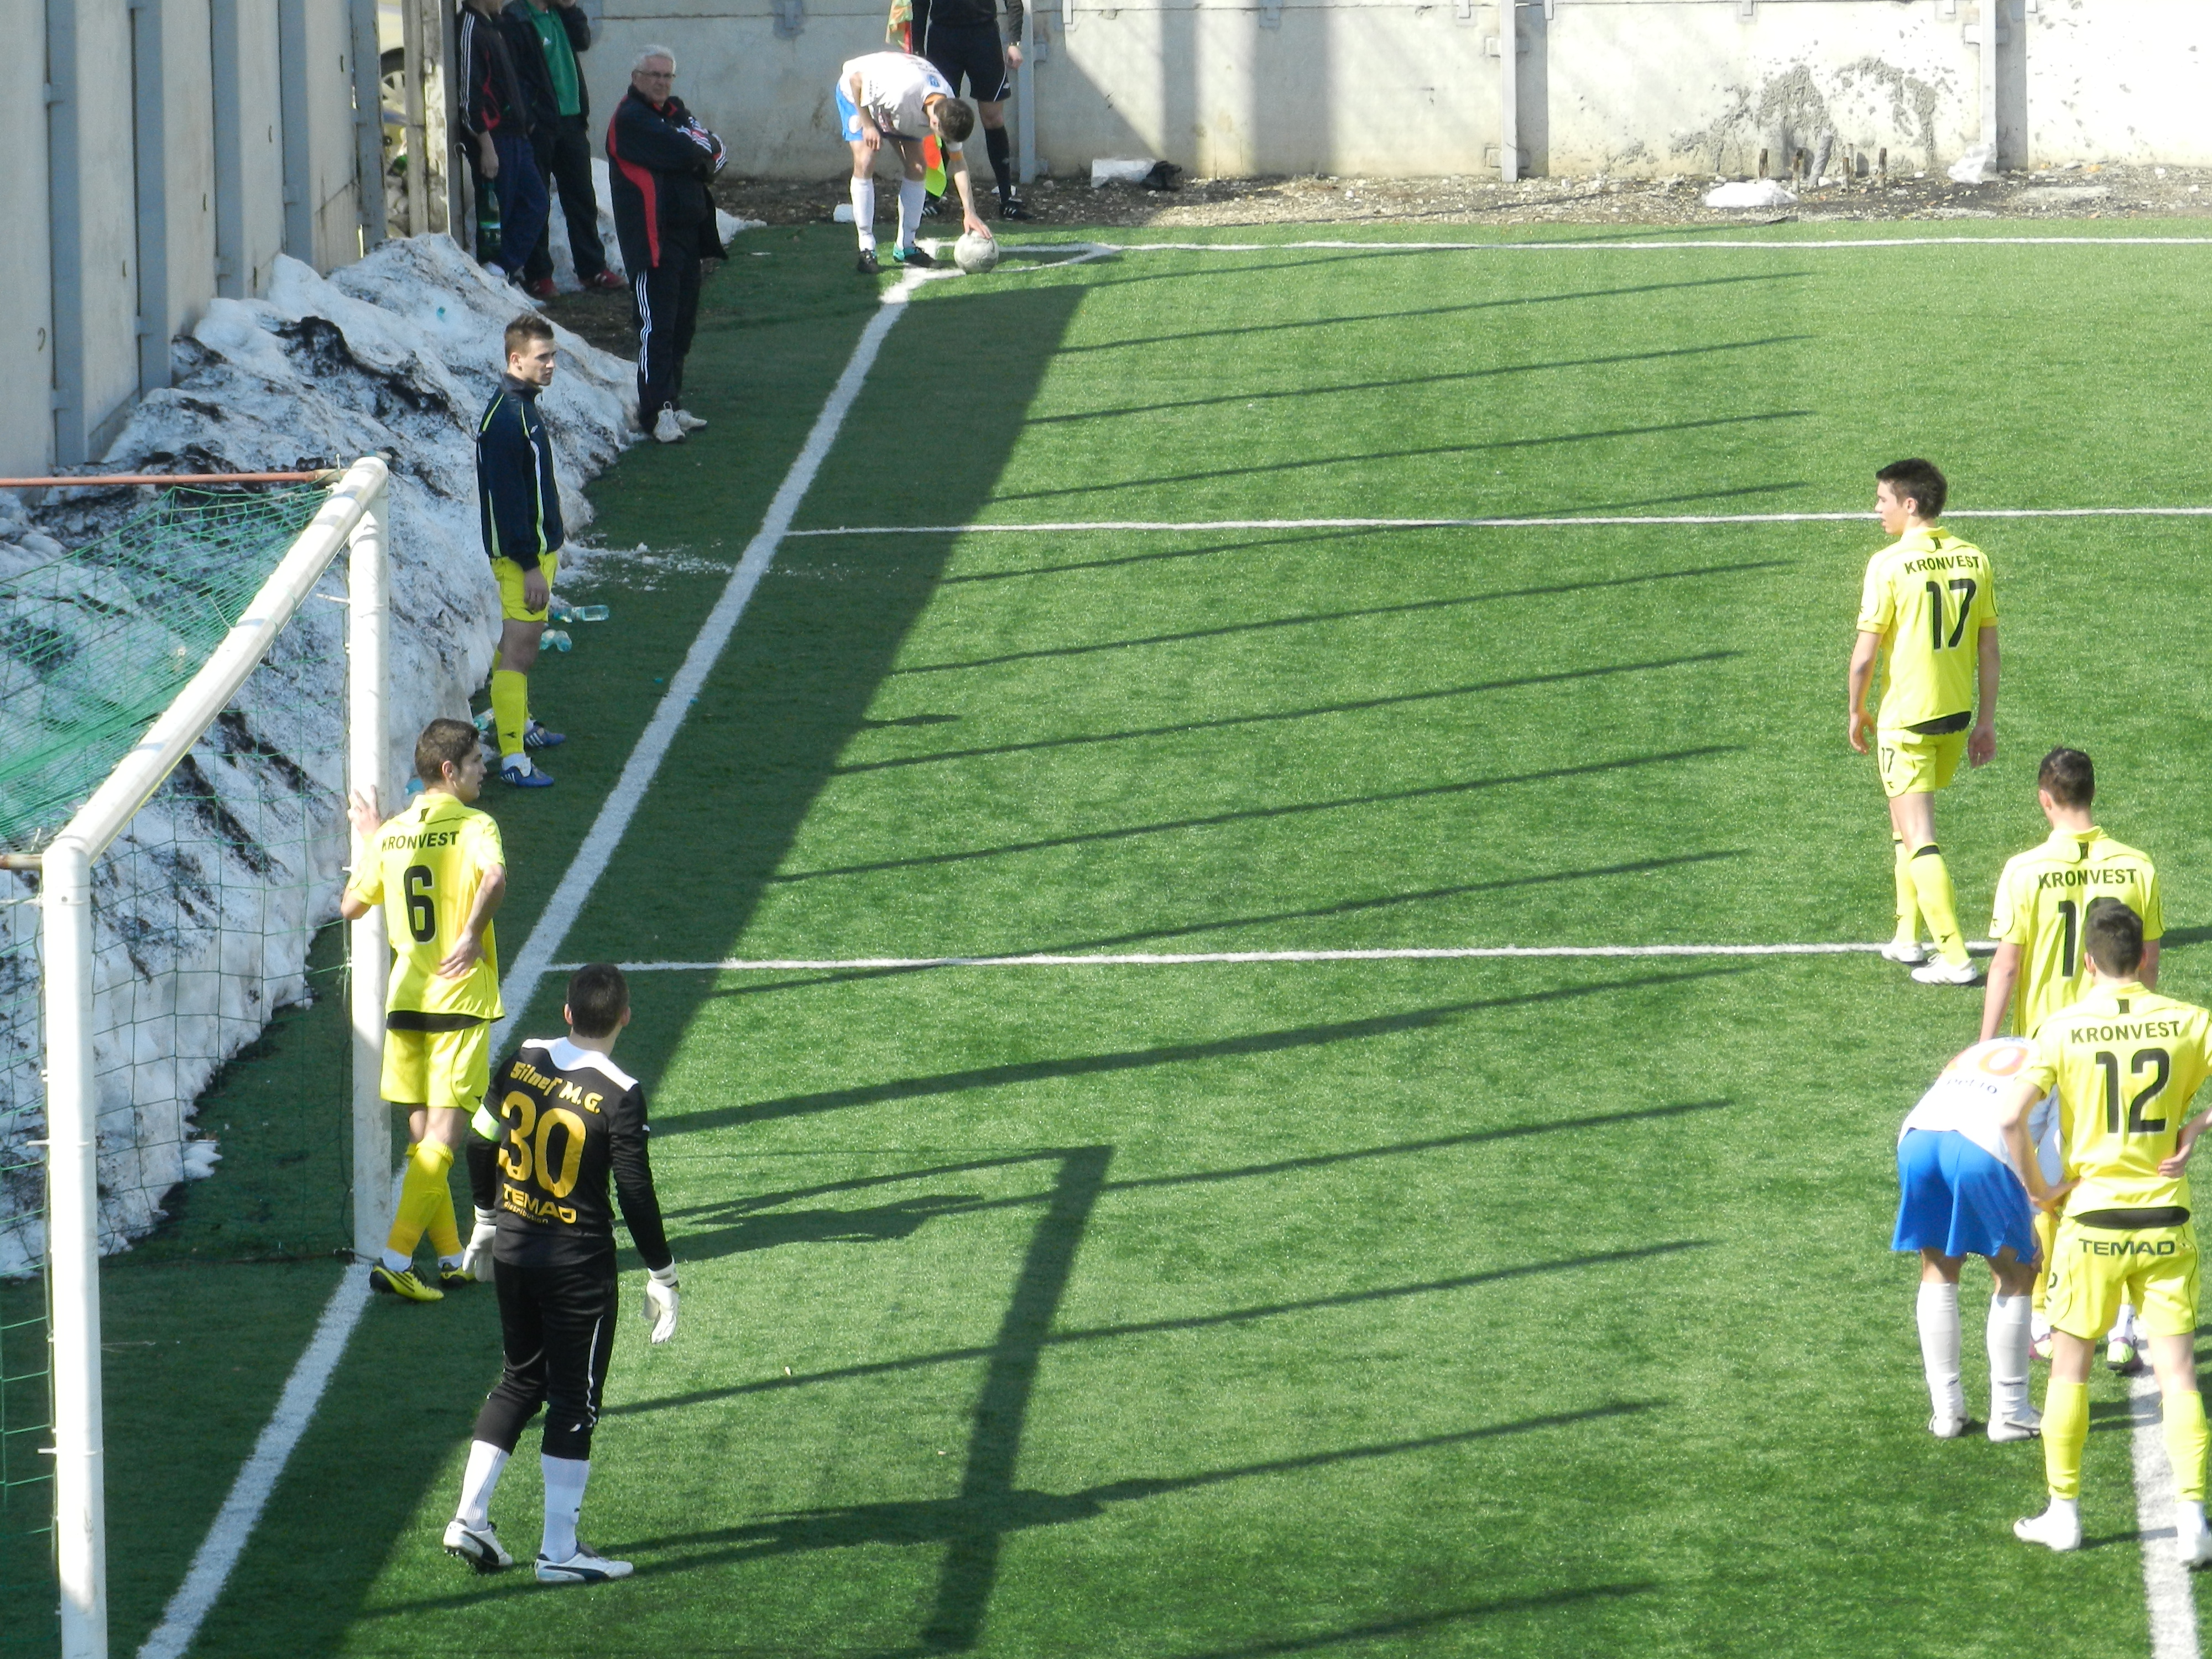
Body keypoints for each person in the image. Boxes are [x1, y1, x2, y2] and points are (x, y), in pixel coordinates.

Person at [441, 964, 680, 1583]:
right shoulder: (621, 1092)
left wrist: (485, 1217)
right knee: (575, 1400)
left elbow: (480, 1139)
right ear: (625, 1017)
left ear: (567, 1012)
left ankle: (470, 1517)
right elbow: (635, 1192)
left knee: (519, 1381)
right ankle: (559, 1552)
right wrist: (663, 1274)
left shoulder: (525, 1057)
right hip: (578, 1269)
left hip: (515, 1251)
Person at [2006, 899, 2212, 1563]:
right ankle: (2193, 1520)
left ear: (2088, 963)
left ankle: (2064, 1513)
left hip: (2091, 1220)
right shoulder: (2190, 1020)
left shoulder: (2060, 1028)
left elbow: (2011, 1119)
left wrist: (2039, 1192)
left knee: (2070, 1371)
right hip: (2165, 1219)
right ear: (2145, 957)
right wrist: (2195, 1129)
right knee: (2177, 1373)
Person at [1979, 745, 2163, 1368]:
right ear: (2092, 794)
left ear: (2045, 799)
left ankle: (2042, 1314)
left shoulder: (2023, 870)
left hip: (2045, 1049)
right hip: (2116, 1043)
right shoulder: (2136, 867)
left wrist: (1987, 1046)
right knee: (2117, 1178)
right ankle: (2122, 1325)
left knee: (2039, 1185)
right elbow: (2148, 966)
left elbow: (2007, 965)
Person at [337, 719, 509, 1303]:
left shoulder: (391, 836)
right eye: (476, 761)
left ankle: (451, 1257)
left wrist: (372, 840)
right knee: (442, 1142)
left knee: (423, 1145)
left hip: (407, 1003)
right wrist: (472, 934)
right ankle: (395, 1260)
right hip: (458, 1001)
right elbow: (495, 877)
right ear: (450, 771)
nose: (484, 769)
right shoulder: (476, 825)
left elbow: (351, 906)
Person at [1845, 457, 1998, 986]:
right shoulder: (1975, 558)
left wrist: (1856, 710)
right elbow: (1989, 649)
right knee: (1903, 827)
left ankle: (1954, 958)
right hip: (1956, 716)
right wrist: (1986, 721)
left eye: (1882, 500)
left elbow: (1864, 658)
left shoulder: (1887, 564)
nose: (1876, 509)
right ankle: (1906, 937)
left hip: (1907, 719)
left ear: (1910, 504)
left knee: (1920, 837)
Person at [1892, 1037, 2047, 1442]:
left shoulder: (1992, 1047)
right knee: (2017, 1274)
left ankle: (1946, 1412)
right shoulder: (2066, 1058)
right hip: (1982, 1148)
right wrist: (2036, 1218)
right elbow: (2053, 1149)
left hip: (1917, 1140)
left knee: (1938, 1267)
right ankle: (2011, 1413)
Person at [606, 46, 726, 445]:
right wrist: (695, 150)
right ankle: (654, 412)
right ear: (636, 77)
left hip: (686, 237)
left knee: (681, 324)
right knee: (656, 327)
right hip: (652, 241)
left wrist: (699, 150)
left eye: (667, 76)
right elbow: (688, 150)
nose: (661, 82)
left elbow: (716, 151)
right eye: (654, 75)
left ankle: (671, 403)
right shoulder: (631, 118)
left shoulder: (675, 112)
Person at [476, 312, 568, 787]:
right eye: (542, 357)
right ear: (516, 359)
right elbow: (510, 502)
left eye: (553, 356)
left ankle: (520, 724)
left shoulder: (520, 406)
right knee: (520, 652)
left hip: (534, 553)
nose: (551, 365)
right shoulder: (509, 421)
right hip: (521, 560)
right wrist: (530, 565)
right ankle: (513, 759)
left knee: (516, 645)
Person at [507, 0, 624, 299]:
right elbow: (513, 76)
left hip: (571, 119)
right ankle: (539, 274)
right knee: (537, 198)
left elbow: (583, 40)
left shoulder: (561, 14)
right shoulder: (516, 18)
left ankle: (592, 268)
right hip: (539, 125)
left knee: (581, 197)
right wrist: (530, 119)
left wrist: (571, 8)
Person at [837, 50, 989, 275]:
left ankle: (906, 246)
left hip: (897, 112)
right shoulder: (901, 91)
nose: (946, 143)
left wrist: (970, 212)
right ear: (934, 123)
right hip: (859, 97)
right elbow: (856, 80)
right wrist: (868, 125)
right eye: (943, 137)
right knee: (866, 159)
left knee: (918, 167)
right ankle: (867, 247)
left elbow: (958, 163)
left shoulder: (949, 110)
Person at [458, 0, 549, 286]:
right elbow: (469, 97)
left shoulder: (494, 26)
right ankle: (490, 280)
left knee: (536, 202)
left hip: (517, 135)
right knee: (498, 214)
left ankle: (502, 270)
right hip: (495, 139)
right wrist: (486, 146)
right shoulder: (470, 28)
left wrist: (527, 119)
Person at [915, 0, 1030, 218]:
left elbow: (1014, 2)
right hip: (943, 37)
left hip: (983, 36)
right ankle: (931, 196)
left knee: (993, 117)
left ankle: (1006, 198)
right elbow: (919, 3)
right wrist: (918, 49)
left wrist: (1014, 42)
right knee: (940, 116)